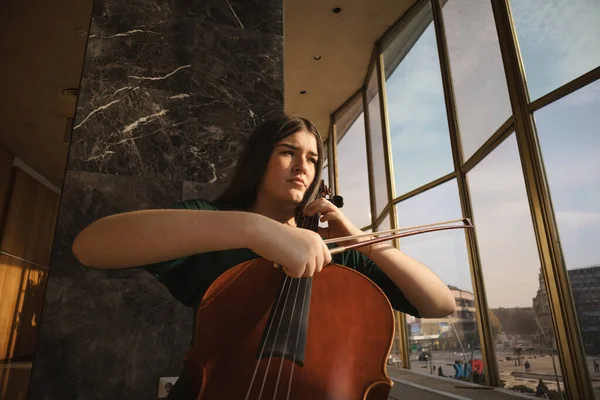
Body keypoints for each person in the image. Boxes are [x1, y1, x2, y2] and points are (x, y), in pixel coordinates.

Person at [72, 114, 456, 399]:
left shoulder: (336, 253)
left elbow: (439, 303)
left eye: (311, 158)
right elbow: (91, 245)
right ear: (258, 162)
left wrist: (358, 237)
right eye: (288, 152)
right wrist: (254, 230)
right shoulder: (217, 224)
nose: (303, 167)